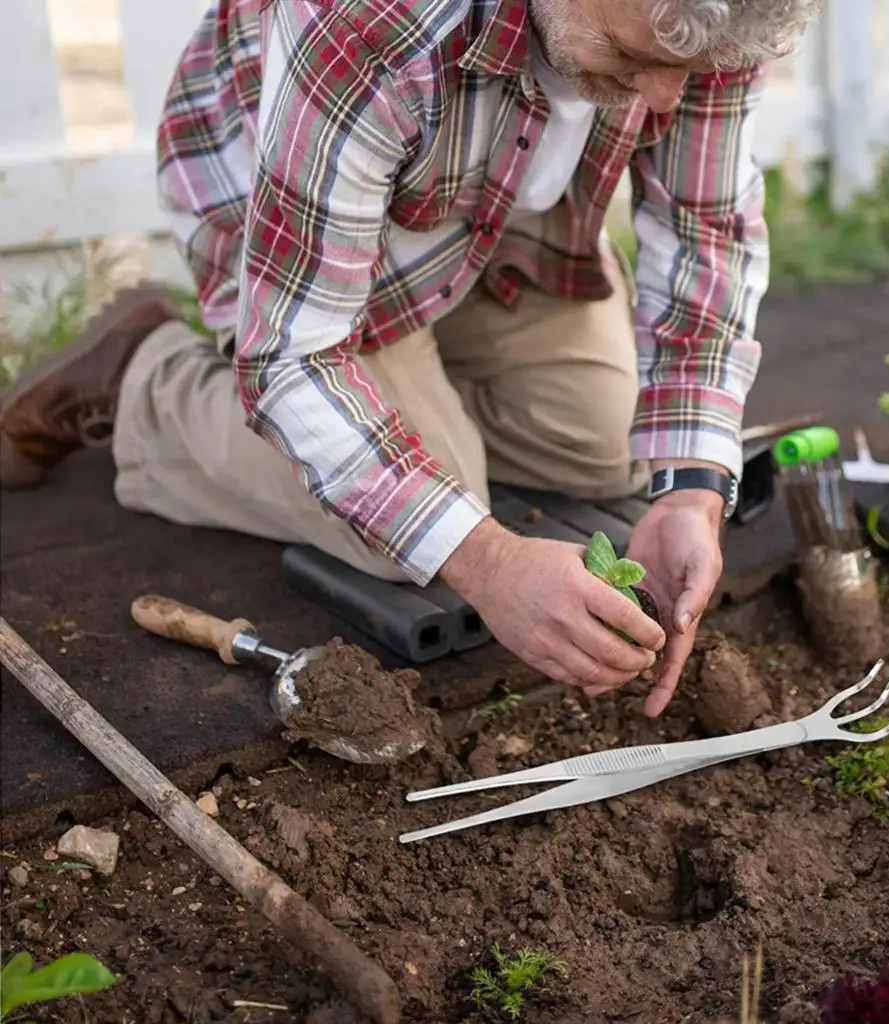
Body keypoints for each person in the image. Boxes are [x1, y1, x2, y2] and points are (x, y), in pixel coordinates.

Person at [0, 0, 821, 716]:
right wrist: (489, 560)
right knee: (418, 524)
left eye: (692, 69)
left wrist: (693, 491)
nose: (664, 98)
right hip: (297, 204)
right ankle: (145, 376)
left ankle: (422, 381)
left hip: (489, 189)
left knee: (613, 447)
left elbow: (702, 232)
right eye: (635, 57)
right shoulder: (371, 18)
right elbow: (296, 356)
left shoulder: (701, 18)